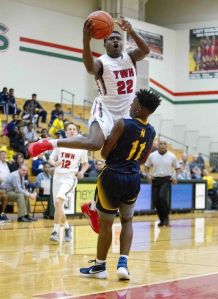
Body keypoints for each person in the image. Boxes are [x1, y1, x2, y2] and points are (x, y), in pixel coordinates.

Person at [28, 16, 150, 231]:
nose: (115, 41)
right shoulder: (102, 62)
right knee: (94, 143)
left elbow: (146, 50)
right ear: (104, 43)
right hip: (106, 109)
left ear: (123, 42)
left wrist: (131, 30)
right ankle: (50, 142)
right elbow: (88, 66)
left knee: (116, 163)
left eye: (118, 39)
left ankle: (93, 207)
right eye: (111, 39)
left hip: (126, 114)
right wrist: (85, 40)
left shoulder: (130, 56)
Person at [79, 89, 161, 280]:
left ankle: (100, 267)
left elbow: (104, 153)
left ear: (139, 108)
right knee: (127, 221)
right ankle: (123, 264)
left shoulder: (122, 124)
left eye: (133, 102)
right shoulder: (151, 131)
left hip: (113, 176)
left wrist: (115, 151)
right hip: (133, 178)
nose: (131, 104)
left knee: (106, 224)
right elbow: (142, 160)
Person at [48, 122, 89, 242]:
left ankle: (55, 231)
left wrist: (82, 172)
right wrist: (54, 163)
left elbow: (85, 164)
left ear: (77, 132)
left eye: (74, 129)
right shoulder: (60, 144)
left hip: (69, 178)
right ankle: (67, 227)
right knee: (58, 206)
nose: (71, 131)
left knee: (58, 201)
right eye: (69, 129)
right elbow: (50, 159)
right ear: (66, 132)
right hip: (57, 177)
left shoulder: (81, 147)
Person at [144, 141, 180, 227]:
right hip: (155, 179)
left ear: (167, 146)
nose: (163, 145)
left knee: (162, 197)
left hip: (166, 179)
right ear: (158, 146)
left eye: (164, 144)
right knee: (156, 201)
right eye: (161, 144)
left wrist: (175, 176)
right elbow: (146, 166)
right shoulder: (152, 155)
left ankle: (166, 218)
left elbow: (178, 168)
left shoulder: (172, 156)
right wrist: (148, 175)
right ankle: (161, 219)